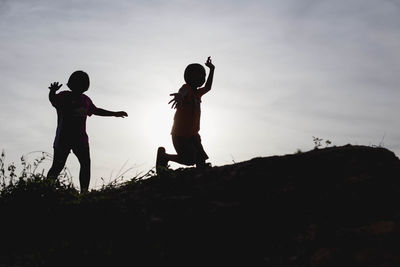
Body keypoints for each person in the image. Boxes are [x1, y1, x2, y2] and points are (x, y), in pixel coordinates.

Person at [47, 70, 128, 192]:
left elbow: (96, 111)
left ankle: (84, 192)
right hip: (63, 139)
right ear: (72, 85)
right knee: (58, 166)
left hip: (81, 140)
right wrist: (52, 91)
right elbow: (53, 99)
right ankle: (46, 188)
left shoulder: (86, 100)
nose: (81, 87)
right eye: (79, 84)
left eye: (83, 85)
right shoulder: (64, 96)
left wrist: (114, 114)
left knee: (85, 164)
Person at [156, 57, 215, 173]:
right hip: (180, 134)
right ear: (189, 77)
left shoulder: (197, 94)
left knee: (200, 158)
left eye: (202, 76)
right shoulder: (186, 88)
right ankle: (164, 156)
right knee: (189, 160)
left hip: (193, 133)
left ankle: (201, 171)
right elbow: (183, 92)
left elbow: (208, 87)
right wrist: (179, 96)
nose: (201, 79)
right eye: (197, 76)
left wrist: (212, 70)